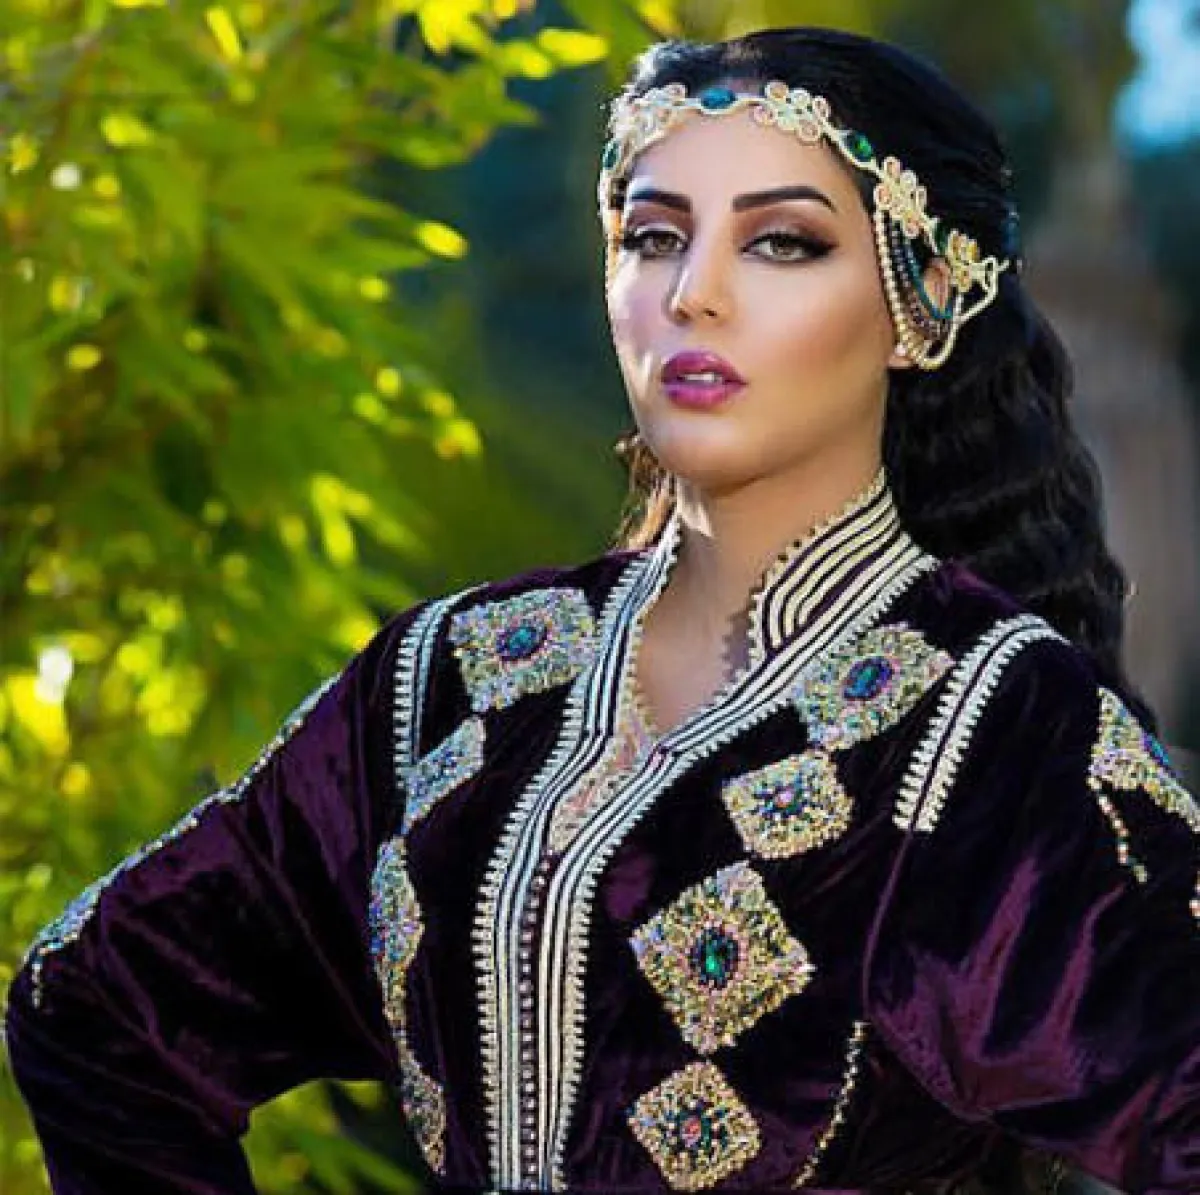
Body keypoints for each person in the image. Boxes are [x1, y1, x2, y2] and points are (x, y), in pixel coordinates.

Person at [6, 24, 1199, 1195]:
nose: (696, 295)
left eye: (782, 243)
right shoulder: (455, 679)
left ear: (922, 301)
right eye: (655, 237)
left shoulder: (988, 720)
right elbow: (99, 1002)